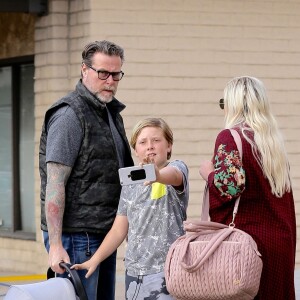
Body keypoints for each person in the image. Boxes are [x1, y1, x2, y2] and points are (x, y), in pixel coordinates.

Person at [39, 40, 134, 300]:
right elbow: (55, 183)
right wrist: (56, 245)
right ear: (84, 70)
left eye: (116, 74)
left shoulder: (110, 113)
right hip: (76, 237)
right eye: (103, 73)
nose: (111, 80)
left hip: (103, 235)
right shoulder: (70, 115)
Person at [199, 76, 296, 299]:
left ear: (233, 104)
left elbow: (230, 186)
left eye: (224, 103)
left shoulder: (230, 137)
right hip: (281, 242)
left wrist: (209, 173)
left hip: (247, 246)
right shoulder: (273, 143)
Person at [72, 117, 189, 299]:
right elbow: (119, 230)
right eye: (143, 142)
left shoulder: (176, 168)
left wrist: (156, 175)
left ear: (169, 146)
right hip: (134, 275)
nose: (150, 146)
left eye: (156, 140)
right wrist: (94, 260)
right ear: (136, 150)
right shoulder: (130, 183)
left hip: (167, 272)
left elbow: (173, 176)